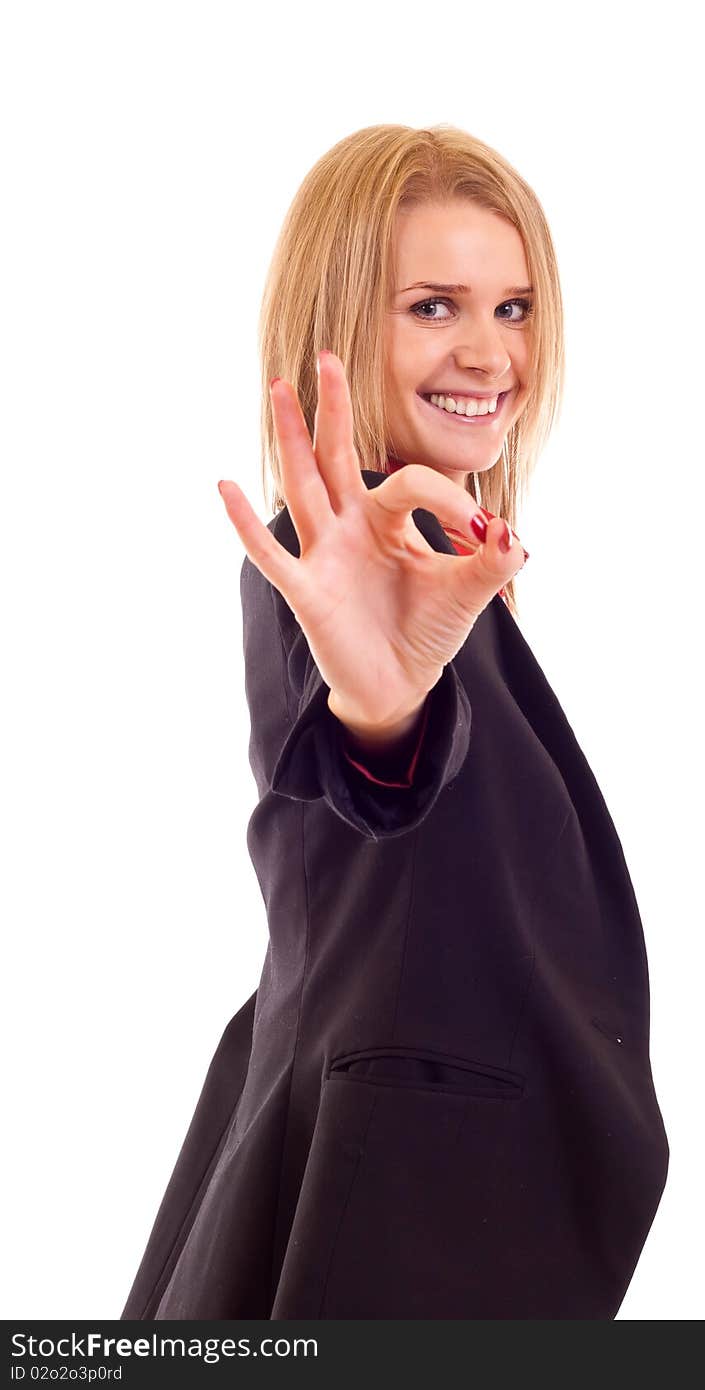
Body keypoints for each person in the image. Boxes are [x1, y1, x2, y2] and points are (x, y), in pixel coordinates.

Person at [119, 123, 669, 1321]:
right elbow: (373, 759)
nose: (489, 352)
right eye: (433, 307)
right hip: (394, 1210)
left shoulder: (435, 568)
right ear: (337, 333)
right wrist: (385, 711)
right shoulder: (340, 566)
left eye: (515, 308)